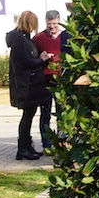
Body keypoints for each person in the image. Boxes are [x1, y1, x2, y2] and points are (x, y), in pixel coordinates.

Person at [6, 11, 52, 160]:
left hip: (29, 84)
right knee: (27, 116)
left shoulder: (23, 38)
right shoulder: (20, 40)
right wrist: (42, 59)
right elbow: (25, 63)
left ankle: (26, 146)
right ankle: (23, 148)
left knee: (29, 115)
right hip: (25, 85)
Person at [31, 9, 69, 151]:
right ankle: (46, 144)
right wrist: (42, 57)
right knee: (45, 113)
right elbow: (32, 58)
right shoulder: (38, 38)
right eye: (49, 24)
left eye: (54, 24)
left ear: (59, 22)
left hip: (62, 81)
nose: (52, 27)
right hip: (45, 81)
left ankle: (62, 142)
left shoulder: (66, 36)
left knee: (62, 113)